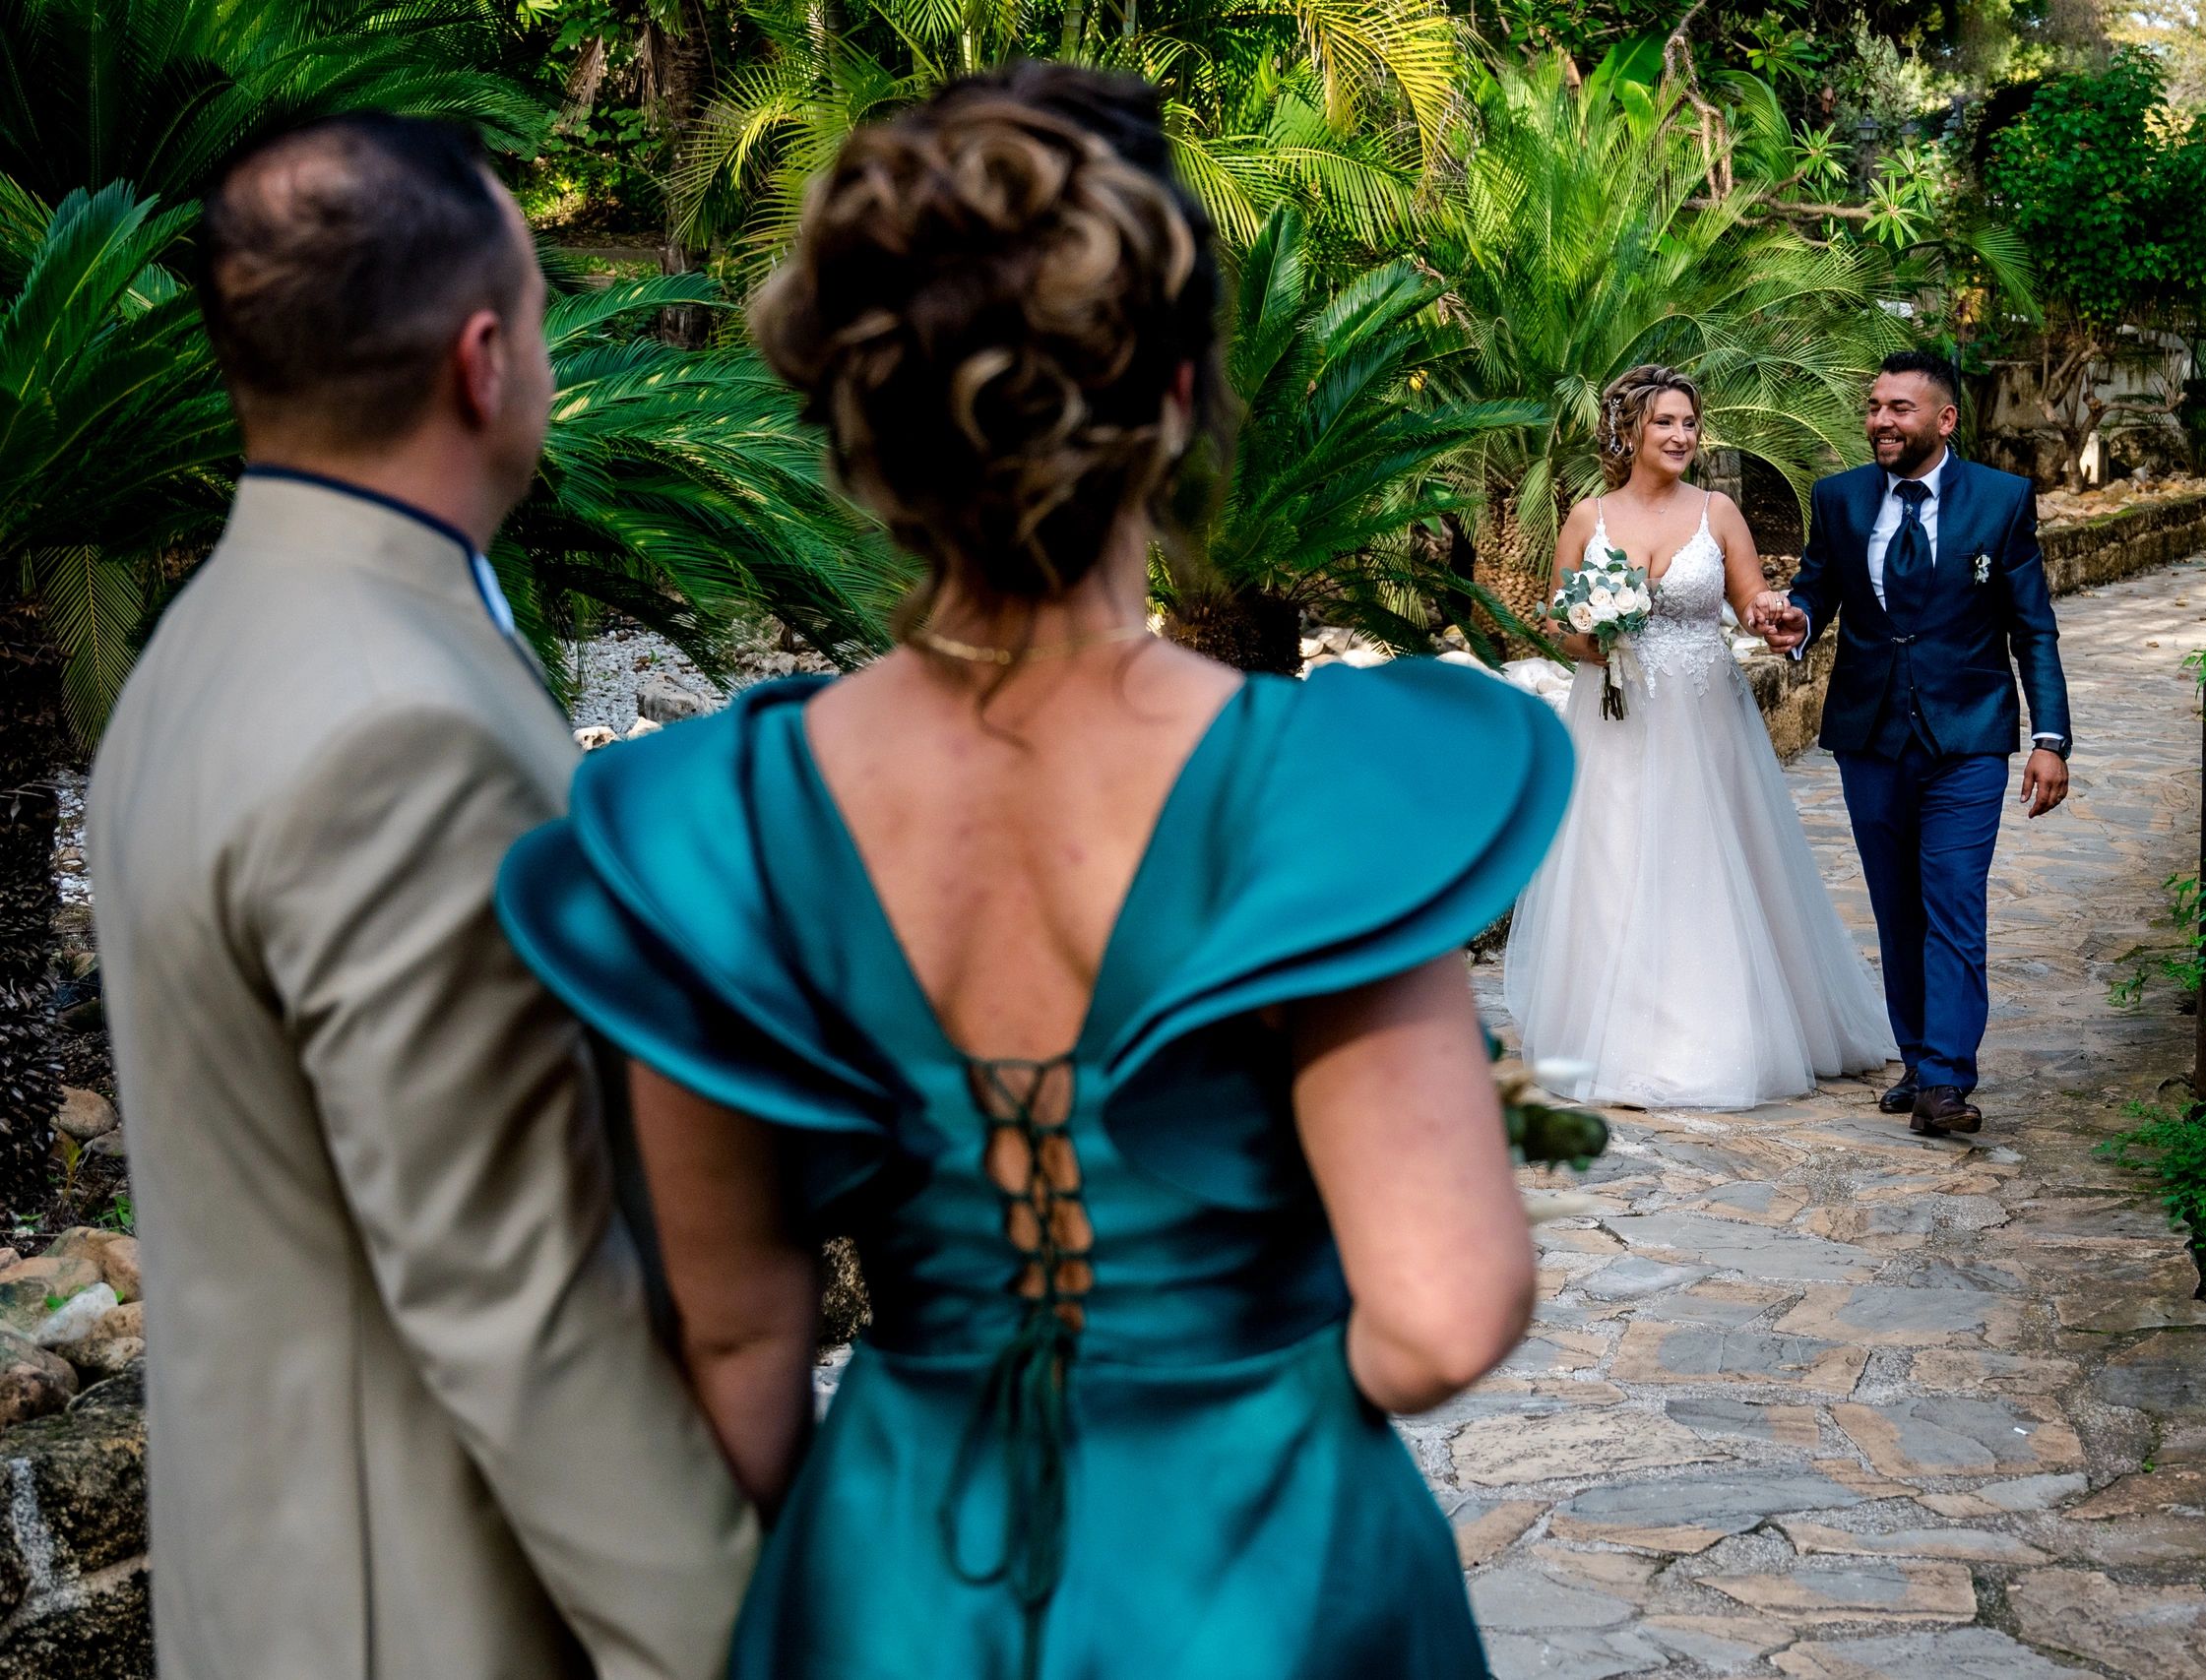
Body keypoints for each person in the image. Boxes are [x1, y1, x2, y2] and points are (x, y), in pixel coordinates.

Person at [493, 64, 1568, 1680]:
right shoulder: (1302, 792)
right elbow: (1442, 1310)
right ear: (1182, 396)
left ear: (860, 424)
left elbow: (737, 1333)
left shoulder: (731, 817)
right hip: (1262, 1583)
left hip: (899, 1580)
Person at [86, 114, 756, 1679]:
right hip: (424, 1609)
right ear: (483, 360)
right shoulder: (400, 724)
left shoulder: (200, 652)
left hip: (271, 1592)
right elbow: (514, 1298)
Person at [1503, 366, 1896, 1110]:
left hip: (1704, 716)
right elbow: (1558, 623)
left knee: (1704, 859)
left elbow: (1751, 602)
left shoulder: (1718, 512)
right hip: (1613, 722)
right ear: (1628, 433)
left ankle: (1713, 1035)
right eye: (1665, 422)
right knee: (1611, 859)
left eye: (1689, 422)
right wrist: (1598, 639)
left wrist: (1773, 615)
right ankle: (1616, 1031)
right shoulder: (1587, 518)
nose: (1682, 435)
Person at [1751, 347, 2074, 1136]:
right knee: (1896, 909)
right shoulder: (1838, 498)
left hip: (1968, 735)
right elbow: (1817, 592)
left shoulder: (2000, 500)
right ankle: (1920, 1059)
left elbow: (2032, 627)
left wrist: (2050, 736)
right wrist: (1795, 624)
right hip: (1870, 735)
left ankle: (1946, 1080)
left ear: (1944, 418)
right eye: (1874, 406)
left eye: (1899, 408)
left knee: (1954, 902)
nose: (1881, 421)